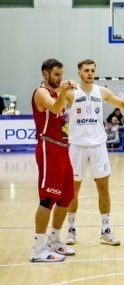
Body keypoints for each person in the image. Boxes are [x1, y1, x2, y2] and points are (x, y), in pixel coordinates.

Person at [65, 59, 124, 246]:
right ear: (79, 72)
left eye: (92, 70)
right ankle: (71, 229)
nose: (90, 73)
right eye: (86, 70)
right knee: (73, 190)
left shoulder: (101, 91)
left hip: (98, 146)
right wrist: (64, 86)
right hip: (77, 146)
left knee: (104, 189)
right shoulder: (70, 93)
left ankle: (106, 230)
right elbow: (53, 98)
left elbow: (123, 105)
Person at [30, 58, 78, 262]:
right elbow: (56, 108)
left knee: (67, 197)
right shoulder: (41, 92)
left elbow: (70, 104)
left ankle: (54, 239)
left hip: (62, 148)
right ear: (45, 74)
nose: (59, 78)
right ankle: (38, 248)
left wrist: (71, 89)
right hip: (48, 146)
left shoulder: (59, 92)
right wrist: (65, 91)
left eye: (61, 74)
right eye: (56, 74)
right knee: (48, 198)